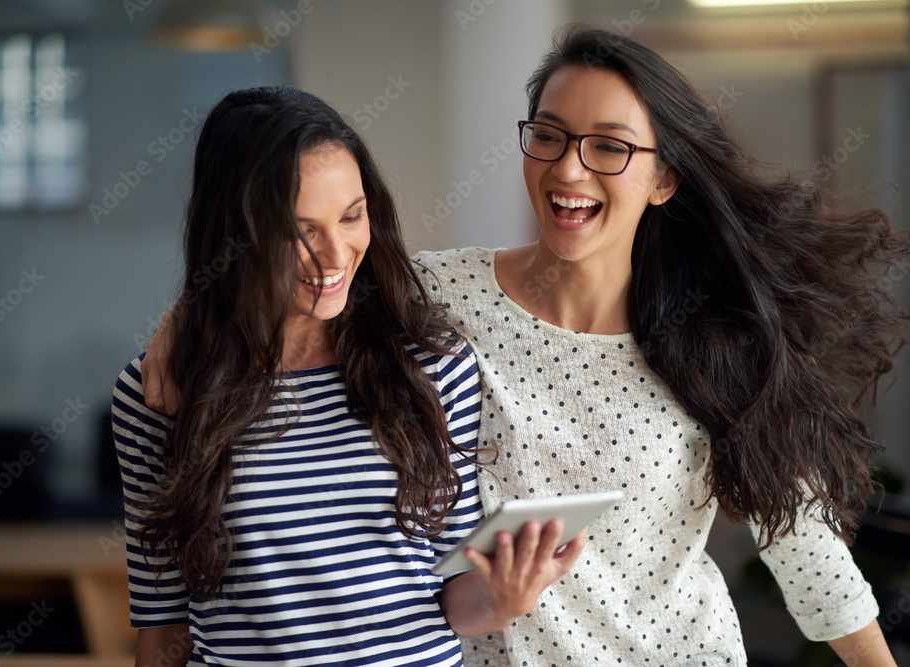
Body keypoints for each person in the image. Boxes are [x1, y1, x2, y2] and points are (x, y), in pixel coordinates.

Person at [141, 29, 909, 666]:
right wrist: (182, 324)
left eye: (609, 146)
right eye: (549, 134)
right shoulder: (435, 297)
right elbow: (284, 275)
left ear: (666, 176)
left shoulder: (718, 340)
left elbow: (809, 556)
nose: (568, 167)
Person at [113, 86, 586, 667]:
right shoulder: (159, 393)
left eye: (351, 215)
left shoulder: (433, 367)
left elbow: (451, 600)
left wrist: (505, 597)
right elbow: (162, 628)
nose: (335, 255)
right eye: (301, 229)